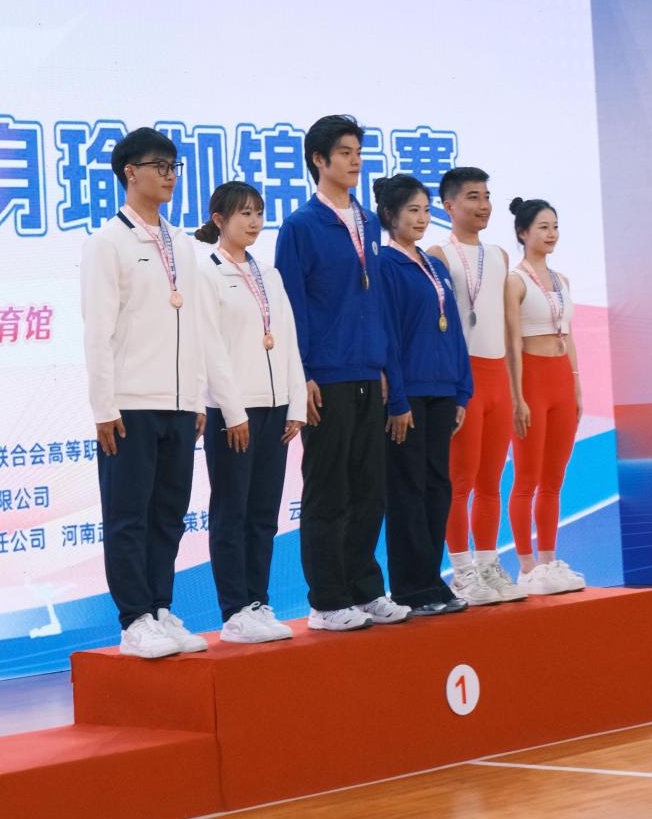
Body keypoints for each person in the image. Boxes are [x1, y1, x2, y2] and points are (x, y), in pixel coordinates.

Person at [275, 115, 411, 631]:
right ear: (319, 159)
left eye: (359, 152)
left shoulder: (369, 223)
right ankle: (327, 601)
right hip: (325, 378)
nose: (356, 161)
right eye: (346, 152)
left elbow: (377, 306)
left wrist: (389, 376)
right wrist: (303, 374)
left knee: (368, 491)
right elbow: (292, 308)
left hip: (369, 375)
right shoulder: (301, 226)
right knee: (327, 491)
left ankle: (365, 589)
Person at [80, 126, 209, 659]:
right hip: (130, 404)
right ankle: (134, 619)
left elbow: (194, 322)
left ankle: (159, 607)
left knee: (168, 515)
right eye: (160, 166)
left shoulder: (181, 243)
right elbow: (97, 331)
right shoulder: (107, 243)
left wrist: (196, 397)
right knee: (128, 516)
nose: (170, 175)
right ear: (130, 173)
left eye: (174, 166)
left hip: (178, 405)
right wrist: (103, 407)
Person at [195, 182, 306, 643]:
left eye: (259, 212)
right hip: (233, 413)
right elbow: (210, 348)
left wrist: (296, 404)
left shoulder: (269, 275)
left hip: (275, 409)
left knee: (263, 513)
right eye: (244, 213)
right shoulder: (206, 272)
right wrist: (232, 410)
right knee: (231, 512)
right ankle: (235, 610)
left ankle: (258, 602)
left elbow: (289, 339)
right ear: (219, 220)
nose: (254, 222)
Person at [428, 168, 525, 604]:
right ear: (448, 206)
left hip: (497, 376)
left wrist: (516, 392)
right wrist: (452, 388)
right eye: (472, 197)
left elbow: (507, 327)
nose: (483, 205)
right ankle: (462, 570)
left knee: (490, 480)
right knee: (459, 480)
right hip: (462, 378)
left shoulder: (500, 255)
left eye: (486, 196)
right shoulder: (438, 255)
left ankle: (488, 563)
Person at [377, 175, 472, 616]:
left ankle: (432, 579)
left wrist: (462, 391)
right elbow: (387, 337)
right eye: (412, 210)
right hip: (408, 396)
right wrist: (396, 399)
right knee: (407, 489)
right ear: (390, 215)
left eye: (425, 210)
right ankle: (410, 588)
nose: (421, 218)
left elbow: (453, 330)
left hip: (442, 392)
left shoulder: (434, 266)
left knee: (437, 487)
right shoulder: (384, 265)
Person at [504, 197, 586, 594]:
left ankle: (550, 561)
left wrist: (576, 385)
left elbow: (568, 336)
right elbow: (511, 342)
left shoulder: (562, 280)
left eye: (555, 226)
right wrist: (516, 396)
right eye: (543, 227)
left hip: (560, 380)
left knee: (554, 479)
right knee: (527, 478)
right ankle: (526, 566)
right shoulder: (514, 281)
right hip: (531, 380)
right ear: (523, 233)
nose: (551, 234)